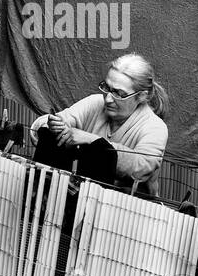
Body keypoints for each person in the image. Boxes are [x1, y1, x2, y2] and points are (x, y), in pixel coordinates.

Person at [29, 53, 169, 196]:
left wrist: (93, 141)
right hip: (79, 198)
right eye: (107, 88)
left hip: (125, 209)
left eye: (119, 94)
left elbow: (142, 168)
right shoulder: (95, 103)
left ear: (141, 96)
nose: (108, 99)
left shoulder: (155, 127)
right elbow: (54, 121)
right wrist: (54, 124)